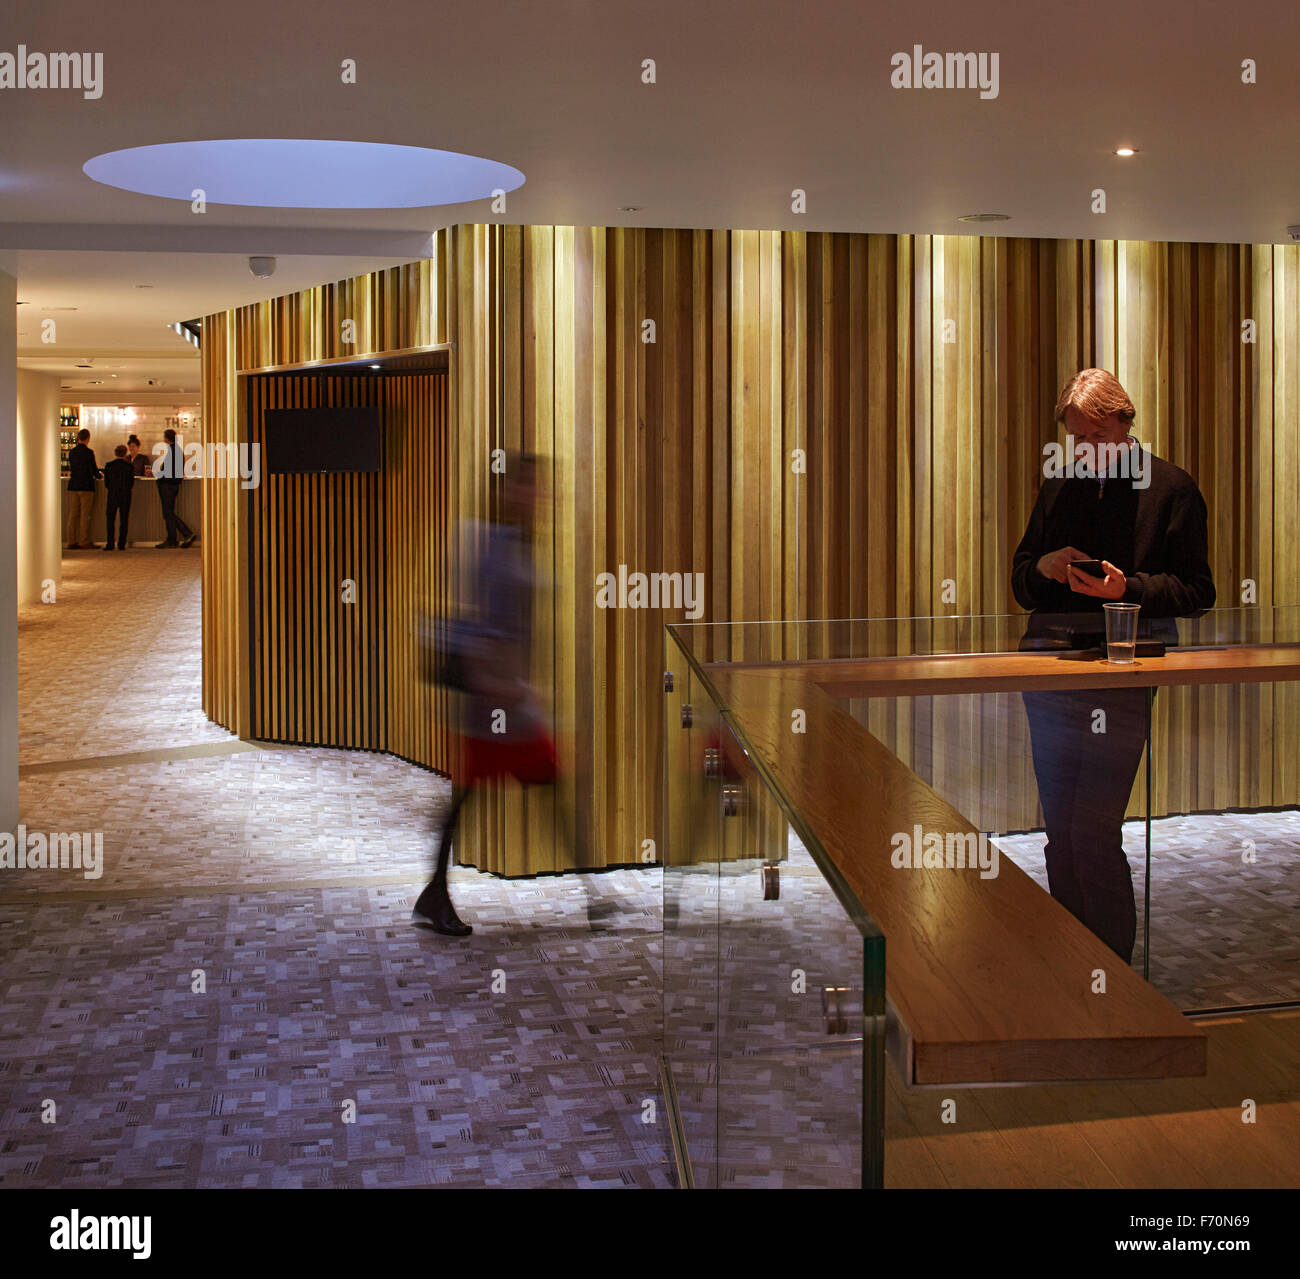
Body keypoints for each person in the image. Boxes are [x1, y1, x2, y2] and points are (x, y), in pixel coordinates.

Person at [1011, 368, 1215, 963]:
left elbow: (1198, 591)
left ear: (1125, 424)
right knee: (1058, 835)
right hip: (1049, 670)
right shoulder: (1060, 485)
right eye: (1077, 440)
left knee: (1093, 832)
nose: (1085, 452)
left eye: (1096, 438)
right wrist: (1044, 567)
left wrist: (1131, 590)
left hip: (1123, 677)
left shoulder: (1172, 489)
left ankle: (1112, 981)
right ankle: (1068, 964)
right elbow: (1022, 581)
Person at [413, 455, 569, 937]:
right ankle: (435, 893)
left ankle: (434, 893)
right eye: (528, 485)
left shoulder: (522, 542)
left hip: (510, 698)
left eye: (542, 486)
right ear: (507, 490)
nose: (538, 495)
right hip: (494, 703)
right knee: (481, 794)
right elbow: (478, 620)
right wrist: (495, 681)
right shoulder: (488, 541)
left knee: (541, 786)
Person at [154, 428, 195, 548]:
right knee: (169, 513)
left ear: (166, 438)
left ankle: (181, 535)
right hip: (173, 485)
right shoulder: (177, 451)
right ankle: (177, 537)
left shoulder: (173, 451)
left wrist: (159, 477)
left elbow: (167, 470)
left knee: (168, 513)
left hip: (168, 486)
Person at [65, 428, 100, 550]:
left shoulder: (72, 452)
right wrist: (99, 475)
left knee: (73, 514)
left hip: (74, 485)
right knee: (85, 514)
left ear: (78, 438)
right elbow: (94, 470)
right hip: (86, 486)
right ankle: (83, 540)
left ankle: (71, 540)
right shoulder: (89, 453)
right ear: (88, 438)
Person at [102, 444, 135, 550]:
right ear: (125, 453)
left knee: (110, 519)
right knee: (124, 519)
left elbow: (106, 483)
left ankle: (110, 543)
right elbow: (131, 483)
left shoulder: (109, 465)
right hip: (125, 495)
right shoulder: (129, 466)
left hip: (113, 494)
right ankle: (121, 543)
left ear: (115, 453)